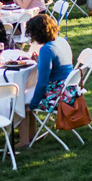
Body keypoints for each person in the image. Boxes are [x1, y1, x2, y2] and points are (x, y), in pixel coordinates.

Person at [16, 13, 71, 147]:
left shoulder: (46, 49)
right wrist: (40, 61)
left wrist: (34, 104)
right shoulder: (60, 41)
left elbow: (42, 83)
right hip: (69, 89)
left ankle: (24, 141)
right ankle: (32, 134)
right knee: (29, 96)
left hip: (58, 95)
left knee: (21, 101)